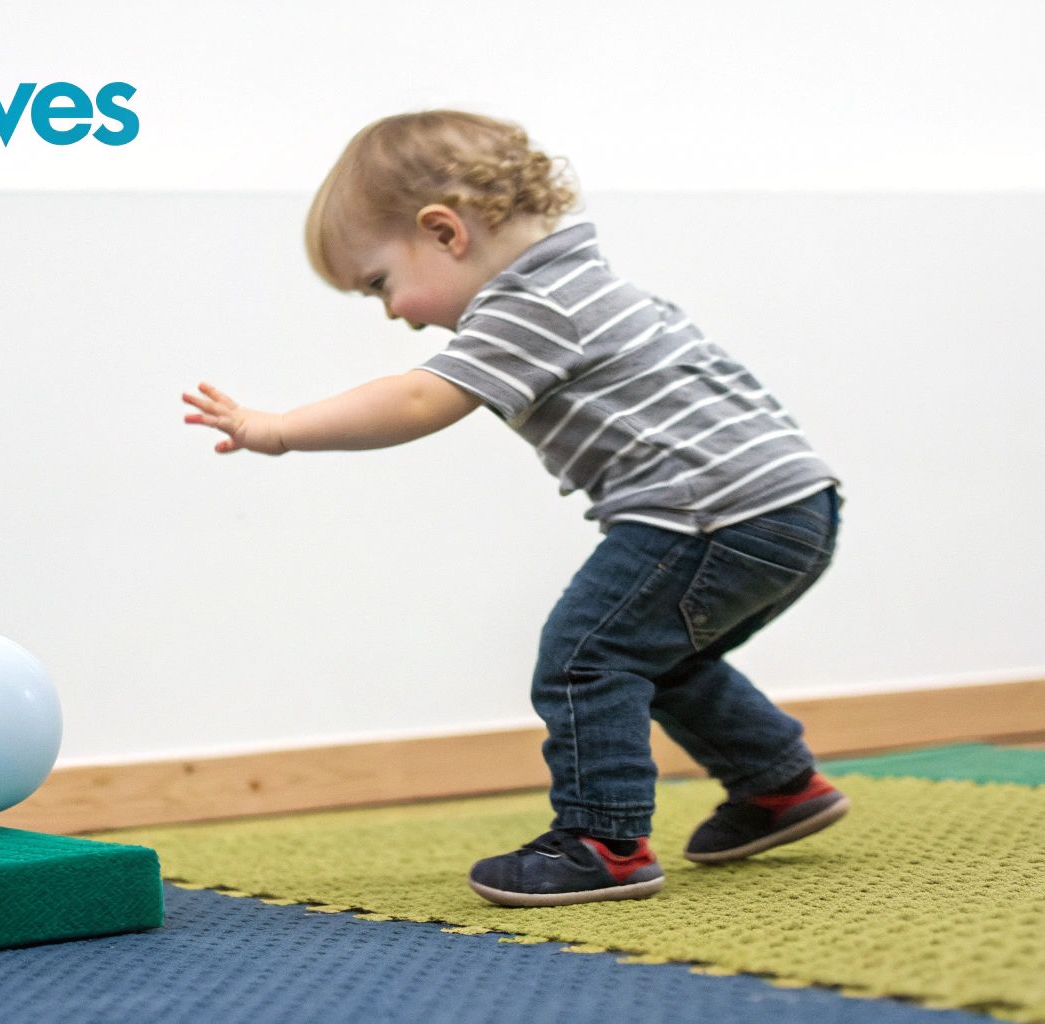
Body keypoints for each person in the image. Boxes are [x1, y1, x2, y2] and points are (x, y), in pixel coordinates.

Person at [182, 110, 849, 907]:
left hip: (710, 513)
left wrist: (279, 430)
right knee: (657, 654)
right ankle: (777, 784)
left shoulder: (532, 303)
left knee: (585, 656)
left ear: (443, 232)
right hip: (792, 507)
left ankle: (603, 840)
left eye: (379, 284)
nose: (393, 313)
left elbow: (421, 398)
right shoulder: (586, 285)